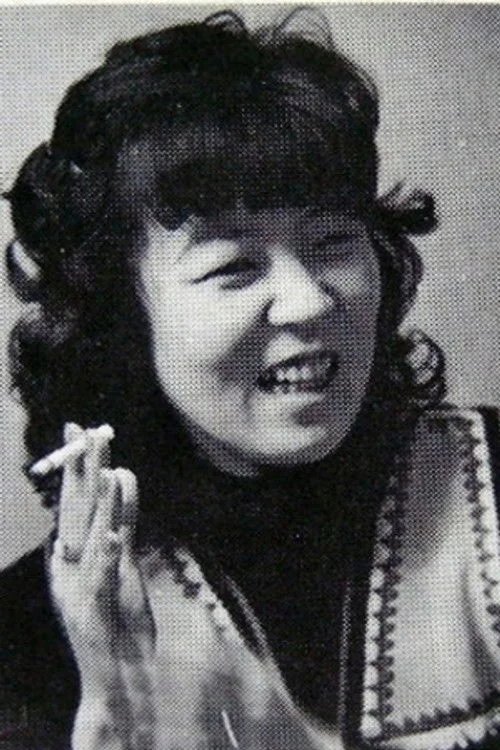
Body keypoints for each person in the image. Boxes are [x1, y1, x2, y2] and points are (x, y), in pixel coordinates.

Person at [1, 9, 499, 750]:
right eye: (233, 267)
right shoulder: (28, 638)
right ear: (122, 319)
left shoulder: (490, 484)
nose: (309, 301)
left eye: (332, 240)